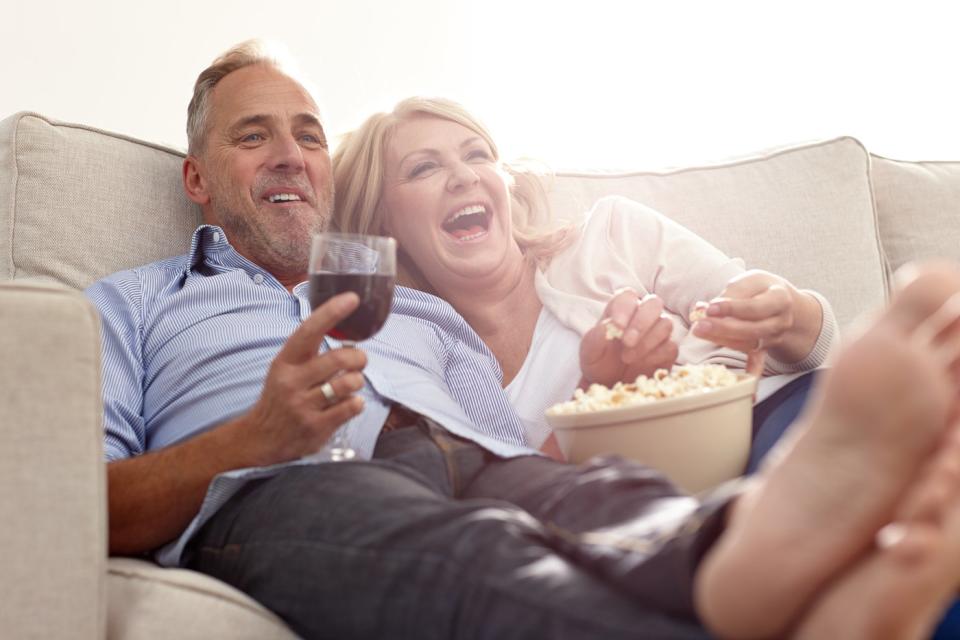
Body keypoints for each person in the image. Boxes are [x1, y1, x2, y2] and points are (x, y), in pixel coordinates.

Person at [90, 39, 960, 640]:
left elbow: (523, 450)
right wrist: (253, 438)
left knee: (610, 502)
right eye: (254, 136)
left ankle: (748, 544)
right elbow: (69, 503)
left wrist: (595, 399)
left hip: (476, 463)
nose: (290, 155)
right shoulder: (127, 307)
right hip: (279, 488)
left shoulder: (417, 307)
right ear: (198, 179)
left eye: (308, 135)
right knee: (475, 553)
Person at [331, 97, 836, 468]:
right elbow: (511, 502)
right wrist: (600, 394)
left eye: (478, 155)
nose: (465, 176)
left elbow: (803, 349)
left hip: (768, 422)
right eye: (423, 168)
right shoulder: (419, 358)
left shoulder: (612, 233)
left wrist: (787, 311)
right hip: (655, 512)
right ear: (383, 225)